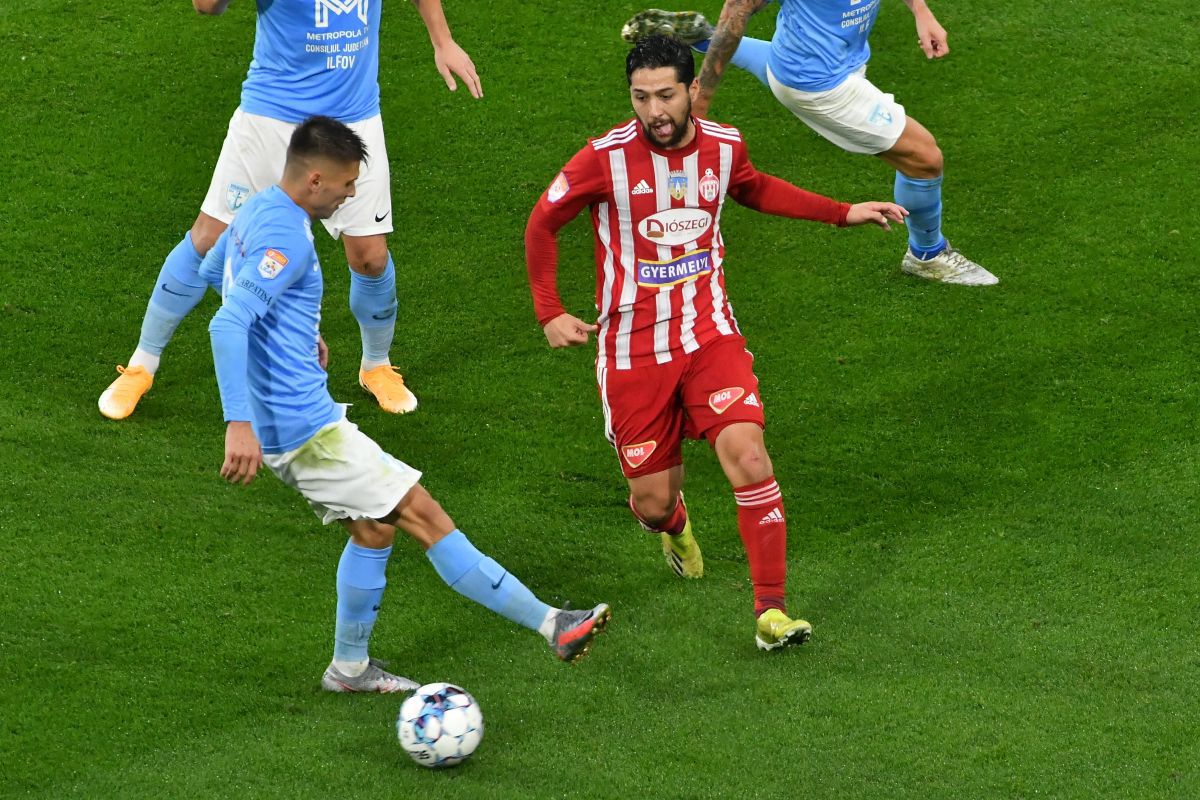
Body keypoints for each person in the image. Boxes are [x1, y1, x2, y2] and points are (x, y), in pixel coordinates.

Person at [524, 36, 905, 650]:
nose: (655, 111)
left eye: (666, 95)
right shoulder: (602, 159)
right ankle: (675, 527)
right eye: (641, 97)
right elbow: (543, 222)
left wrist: (841, 211)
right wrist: (550, 311)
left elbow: (753, 187)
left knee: (751, 457)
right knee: (651, 503)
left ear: (691, 91)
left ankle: (772, 613)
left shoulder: (724, 146)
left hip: (709, 335)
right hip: (633, 352)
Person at [210, 116, 610, 691]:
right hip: (303, 431)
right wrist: (237, 423)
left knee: (374, 531)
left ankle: (349, 669)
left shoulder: (254, 210)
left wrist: (294, 336)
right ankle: (553, 625)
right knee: (426, 516)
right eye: (347, 185)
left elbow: (214, 272)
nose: (352, 195)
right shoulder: (286, 236)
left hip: (292, 420)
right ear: (316, 179)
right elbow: (229, 322)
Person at [99, 0, 484, 421]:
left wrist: (442, 41)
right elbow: (206, 6)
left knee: (370, 258)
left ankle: (376, 365)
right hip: (271, 118)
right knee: (209, 239)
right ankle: (142, 363)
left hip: (353, 121)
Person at [620, 1, 998, 286]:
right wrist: (700, 102)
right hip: (821, 87)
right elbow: (738, 8)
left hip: (820, 57)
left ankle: (702, 36)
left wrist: (921, 12)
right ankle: (927, 255)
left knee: (782, 63)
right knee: (924, 158)